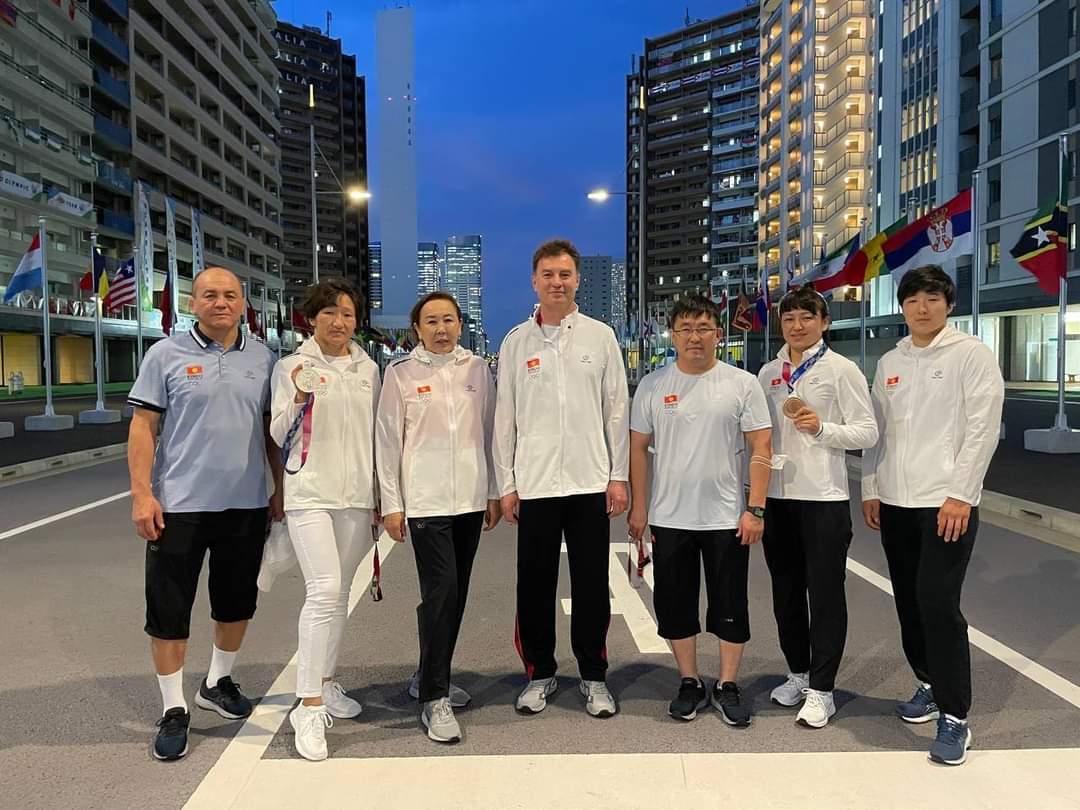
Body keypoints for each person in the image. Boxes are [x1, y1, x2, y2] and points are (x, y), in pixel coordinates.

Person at [127, 267, 282, 762]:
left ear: (242, 303)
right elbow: (143, 427)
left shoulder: (264, 359)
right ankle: (174, 708)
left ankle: (217, 681)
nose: (221, 302)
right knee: (169, 608)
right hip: (179, 506)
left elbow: (271, 432)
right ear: (192, 303)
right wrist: (142, 495)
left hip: (245, 504)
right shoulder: (165, 355)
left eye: (230, 295)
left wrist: (279, 488)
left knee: (236, 603)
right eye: (210, 294)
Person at [862, 265, 1004, 766]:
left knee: (939, 604)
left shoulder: (970, 354)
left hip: (945, 504)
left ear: (948, 304)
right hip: (896, 502)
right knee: (908, 601)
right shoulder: (891, 360)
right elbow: (879, 431)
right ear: (902, 307)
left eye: (932, 299)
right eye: (913, 300)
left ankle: (955, 716)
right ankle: (928, 681)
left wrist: (962, 494)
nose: (922, 309)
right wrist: (872, 487)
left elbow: (983, 428)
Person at [493, 238, 629, 718]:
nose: (557, 282)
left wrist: (618, 476)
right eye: (548, 275)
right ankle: (540, 673)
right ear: (534, 281)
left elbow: (616, 410)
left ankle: (594, 675)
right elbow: (504, 419)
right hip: (536, 484)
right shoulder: (516, 342)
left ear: (577, 280)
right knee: (534, 585)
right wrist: (507, 484)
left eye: (565, 274)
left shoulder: (600, 337)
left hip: (589, 481)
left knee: (592, 585)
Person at [628, 295, 772, 726]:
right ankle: (689, 680)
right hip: (670, 516)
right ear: (672, 336)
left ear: (718, 334)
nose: (695, 336)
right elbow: (637, 449)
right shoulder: (653, 385)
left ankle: (728, 684)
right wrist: (639, 508)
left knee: (731, 604)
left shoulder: (741, 384)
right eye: (686, 329)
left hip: (726, 517)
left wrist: (756, 509)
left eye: (704, 328)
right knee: (675, 605)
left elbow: (761, 445)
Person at [375, 291, 501, 744]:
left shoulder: (477, 370)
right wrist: (392, 502)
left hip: (469, 498)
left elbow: (490, 431)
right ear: (417, 329)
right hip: (425, 501)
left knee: (454, 594)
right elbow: (387, 439)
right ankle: (434, 697)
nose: (441, 328)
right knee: (442, 589)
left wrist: (492, 491)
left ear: (460, 325)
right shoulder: (401, 374)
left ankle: (429, 674)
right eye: (431, 321)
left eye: (448, 319)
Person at [269, 279, 381, 762]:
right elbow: (278, 433)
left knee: (340, 593)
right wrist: (297, 397)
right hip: (310, 493)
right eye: (330, 313)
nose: (339, 322)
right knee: (324, 589)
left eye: (348, 314)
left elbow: (378, 435)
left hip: (356, 497)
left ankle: (328, 681)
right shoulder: (291, 367)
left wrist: (381, 495)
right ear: (312, 319)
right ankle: (308, 705)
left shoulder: (369, 369)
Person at [757, 286, 878, 728]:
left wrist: (823, 428)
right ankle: (799, 673)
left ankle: (823, 690)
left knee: (825, 596)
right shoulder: (769, 373)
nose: (797, 325)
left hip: (823, 499)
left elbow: (868, 432)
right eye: (789, 318)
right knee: (785, 594)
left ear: (824, 322)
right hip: (778, 498)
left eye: (806, 317)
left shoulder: (841, 370)